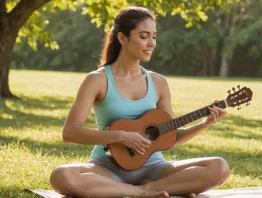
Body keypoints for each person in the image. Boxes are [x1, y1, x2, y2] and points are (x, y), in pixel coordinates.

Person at [50, 6, 230, 198]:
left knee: (219, 167)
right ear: (122, 38)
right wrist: (120, 137)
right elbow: (70, 132)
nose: (151, 43)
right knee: (61, 176)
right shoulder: (97, 80)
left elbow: (172, 136)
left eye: (154, 36)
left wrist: (205, 124)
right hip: (107, 168)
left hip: (154, 168)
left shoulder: (158, 82)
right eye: (144, 36)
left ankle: (146, 188)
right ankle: (142, 191)